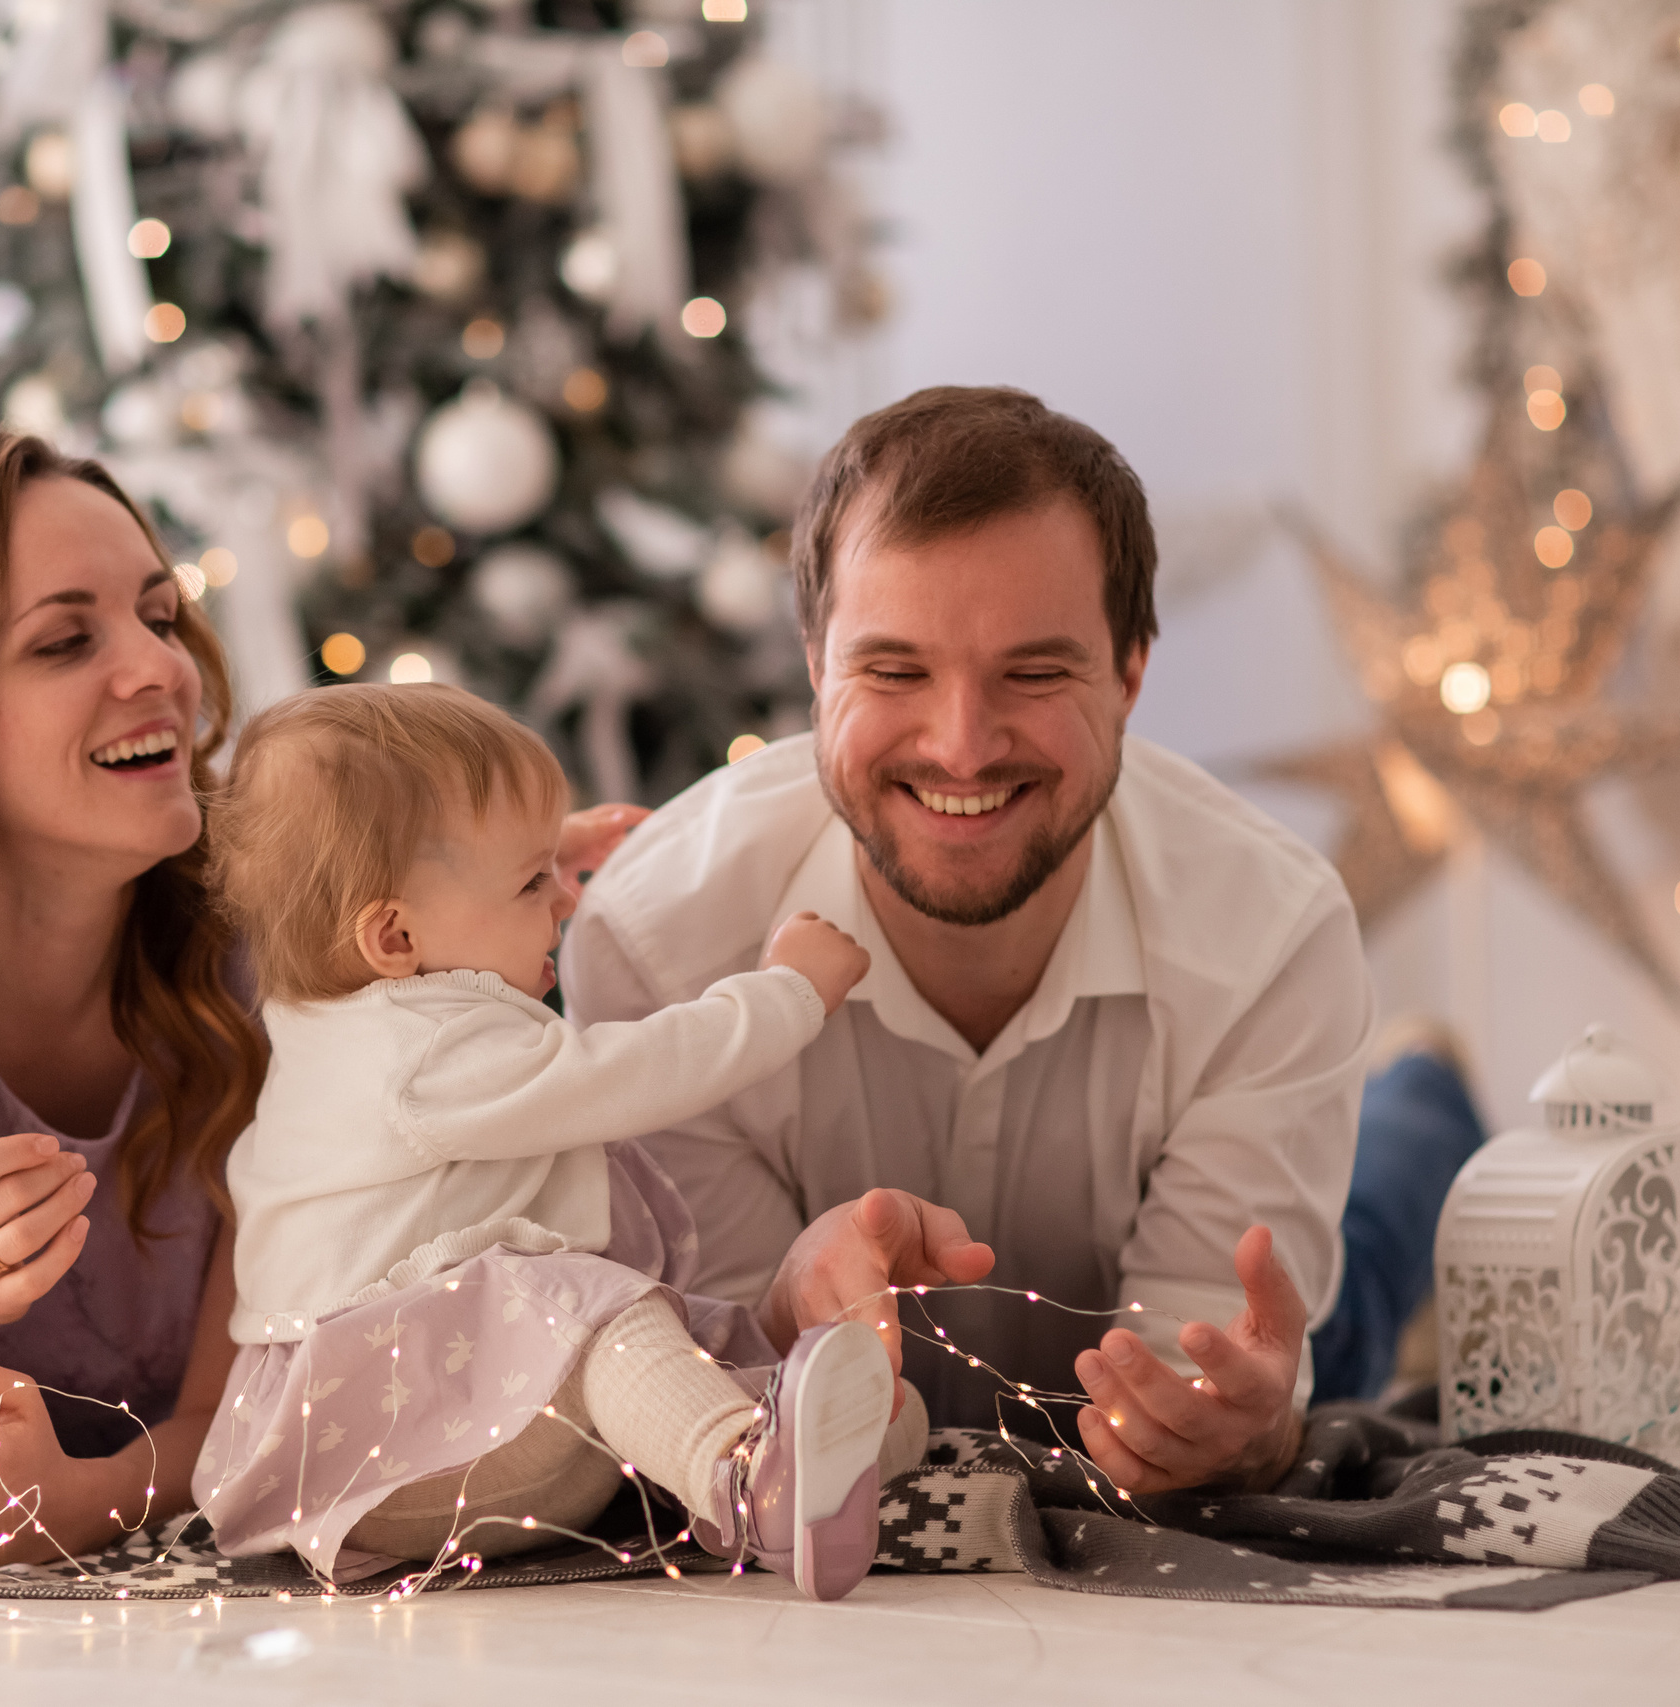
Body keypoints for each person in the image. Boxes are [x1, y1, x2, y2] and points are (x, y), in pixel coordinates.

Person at [0, 431, 651, 1568]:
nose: (160, 669)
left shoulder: (262, 968)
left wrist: (84, 1502)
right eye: (66, 641)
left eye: (160, 617)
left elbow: (258, 1404)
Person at [562, 386, 1378, 1496]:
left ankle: (1423, 1093)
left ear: (1132, 672)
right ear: (815, 665)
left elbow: (1210, 1388)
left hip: (1305, 1211)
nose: (960, 747)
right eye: (892, 672)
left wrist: (1243, 1425)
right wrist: (774, 1303)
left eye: (1034, 674)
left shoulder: (1270, 938)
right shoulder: (658, 953)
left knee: (1376, 1263)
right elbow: (731, 1413)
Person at [191, 683, 921, 1601]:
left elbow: (396, 884)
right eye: (534, 882)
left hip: (424, 1423)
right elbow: (638, 1069)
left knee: (660, 1344)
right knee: (585, 1311)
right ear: (395, 933)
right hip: (382, 1447)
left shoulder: (342, 1000)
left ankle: (826, 1447)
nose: (566, 900)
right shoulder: (428, 1051)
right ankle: (750, 1480)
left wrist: (522, 854)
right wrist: (788, 992)